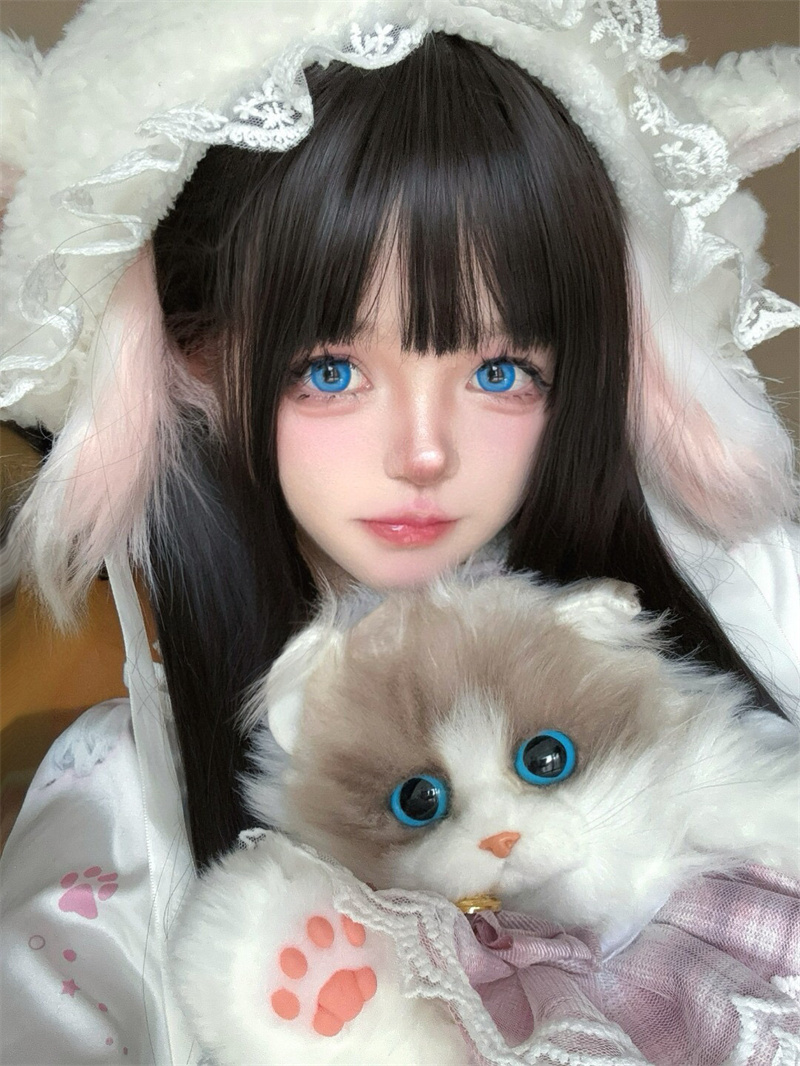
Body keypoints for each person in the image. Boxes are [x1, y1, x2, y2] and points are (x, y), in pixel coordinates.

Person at [0, 1, 798, 1063]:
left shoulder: (755, 593)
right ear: (193, 357)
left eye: (500, 371)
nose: (424, 452)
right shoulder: (127, 798)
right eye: (331, 370)